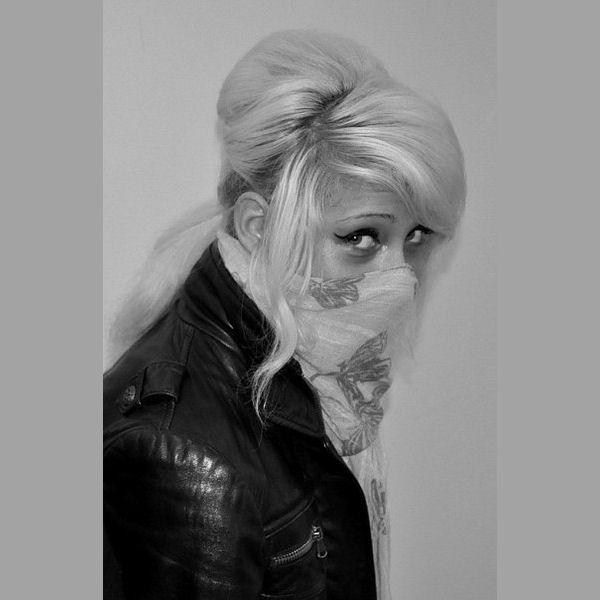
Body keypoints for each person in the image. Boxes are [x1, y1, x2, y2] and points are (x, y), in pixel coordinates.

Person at [103, 29, 466, 600]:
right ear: (259, 227)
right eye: (362, 236)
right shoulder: (185, 457)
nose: (402, 280)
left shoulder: (320, 365)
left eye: (416, 235)